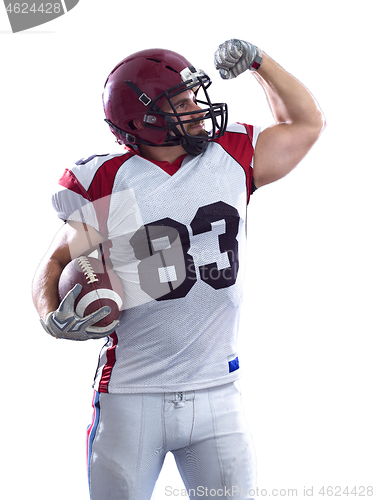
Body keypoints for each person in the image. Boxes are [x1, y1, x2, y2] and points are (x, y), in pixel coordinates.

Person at [32, 39, 325, 500]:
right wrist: (51, 313)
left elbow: (305, 123)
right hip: (131, 394)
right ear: (144, 118)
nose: (199, 110)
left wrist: (259, 63)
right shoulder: (106, 179)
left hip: (218, 391)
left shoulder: (228, 155)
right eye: (183, 102)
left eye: (194, 97)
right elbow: (55, 262)